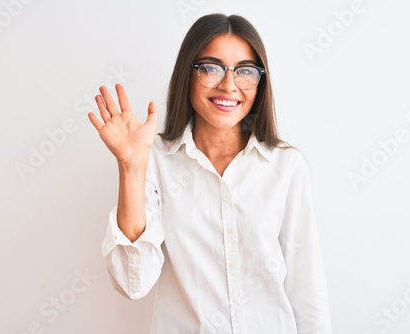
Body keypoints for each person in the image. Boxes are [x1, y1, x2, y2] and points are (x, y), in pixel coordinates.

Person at [88, 13, 332, 334]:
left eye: (245, 71)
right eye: (211, 68)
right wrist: (131, 166)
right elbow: (134, 283)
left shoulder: (285, 165)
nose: (228, 85)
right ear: (187, 74)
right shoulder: (155, 160)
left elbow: (306, 289)